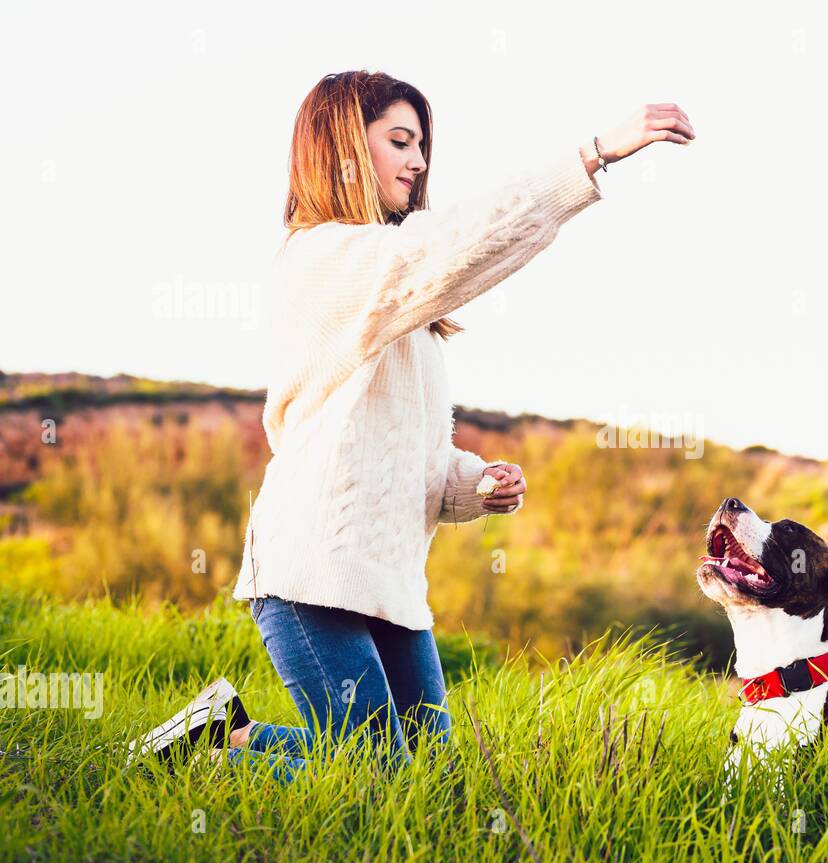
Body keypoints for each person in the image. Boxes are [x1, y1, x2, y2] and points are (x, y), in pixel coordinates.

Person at [124, 70, 695, 782]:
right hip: (314, 574)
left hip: (391, 582)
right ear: (342, 147)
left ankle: (220, 736)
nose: (419, 160)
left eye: (422, 143)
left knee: (426, 777)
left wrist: (473, 482)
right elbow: (450, 247)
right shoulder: (324, 259)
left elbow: (412, 452)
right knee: (375, 775)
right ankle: (209, 751)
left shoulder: (409, 317)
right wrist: (590, 156)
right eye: (400, 140)